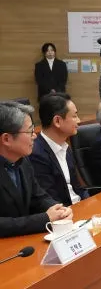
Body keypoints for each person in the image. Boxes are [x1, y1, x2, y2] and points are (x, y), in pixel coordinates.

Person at [0, 101, 72, 238]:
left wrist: (59, 209)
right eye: (30, 131)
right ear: (7, 139)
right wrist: (44, 219)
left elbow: (38, 196)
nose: (35, 136)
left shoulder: (23, 161)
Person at [30, 93, 88, 206]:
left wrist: (90, 203)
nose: (79, 120)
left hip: (80, 206)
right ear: (57, 121)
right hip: (64, 212)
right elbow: (49, 200)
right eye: (74, 116)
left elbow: (78, 188)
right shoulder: (36, 154)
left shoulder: (66, 147)